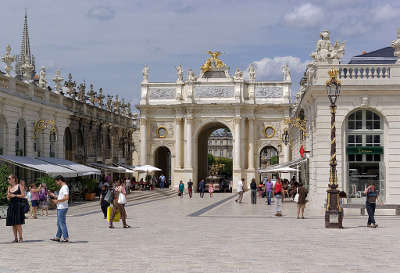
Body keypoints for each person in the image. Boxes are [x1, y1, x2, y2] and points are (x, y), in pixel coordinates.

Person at [49, 175, 70, 243]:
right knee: (59, 223)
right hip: (61, 207)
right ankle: (58, 237)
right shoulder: (63, 187)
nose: (56, 183)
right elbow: (61, 197)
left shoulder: (64, 187)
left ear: (60, 180)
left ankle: (66, 237)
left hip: (62, 207)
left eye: (57, 182)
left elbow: (66, 197)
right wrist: (54, 196)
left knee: (62, 223)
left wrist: (57, 201)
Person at [6, 175, 25, 243]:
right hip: (11, 206)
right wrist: (8, 196)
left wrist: (15, 195)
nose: (8, 180)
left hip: (18, 206)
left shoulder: (19, 186)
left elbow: (23, 195)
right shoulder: (9, 187)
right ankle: (15, 238)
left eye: (9, 178)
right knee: (13, 223)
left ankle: (21, 238)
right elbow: (8, 198)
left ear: (14, 179)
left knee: (18, 223)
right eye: (8, 179)